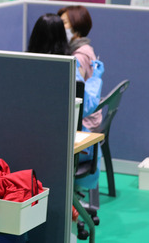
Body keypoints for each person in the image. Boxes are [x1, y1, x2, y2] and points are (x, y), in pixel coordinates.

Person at [27, 13, 104, 190]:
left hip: (29, 145)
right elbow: (86, 106)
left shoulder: (24, 65)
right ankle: (72, 206)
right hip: (65, 148)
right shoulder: (69, 68)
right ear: (62, 36)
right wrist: (95, 79)